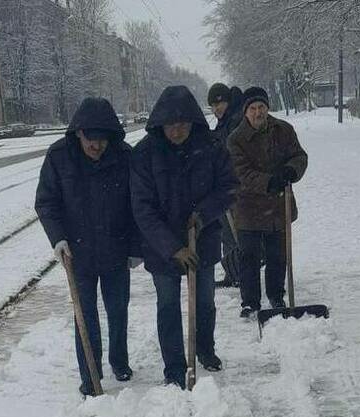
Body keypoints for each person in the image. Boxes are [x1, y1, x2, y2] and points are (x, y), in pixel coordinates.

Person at [131, 85, 237, 388]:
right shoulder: (144, 154)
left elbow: (229, 187)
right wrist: (173, 247)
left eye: (183, 123)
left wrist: (203, 214)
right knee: (167, 305)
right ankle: (174, 367)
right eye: (170, 124)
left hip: (202, 239)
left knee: (204, 301)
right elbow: (142, 208)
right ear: (159, 123)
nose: (177, 130)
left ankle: (205, 349)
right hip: (160, 246)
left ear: (193, 121)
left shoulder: (212, 146)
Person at [35, 97, 141, 397]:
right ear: (78, 133)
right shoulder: (59, 157)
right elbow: (46, 202)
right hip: (77, 253)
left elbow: (137, 204)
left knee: (118, 310)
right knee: (85, 314)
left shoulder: (124, 156)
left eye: (102, 140)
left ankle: (119, 361)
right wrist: (58, 238)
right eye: (90, 140)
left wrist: (135, 247)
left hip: (116, 248)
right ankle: (90, 376)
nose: (96, 147)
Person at [226, 87, 308, 318]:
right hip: (248, 206)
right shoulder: (236, 139)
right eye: (252, 108)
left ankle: (275, 294)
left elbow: (299, 156)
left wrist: (292, 170)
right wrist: (269, 181)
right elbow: (241, 172)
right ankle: (250, 301)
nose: (258, 112)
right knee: (249, 256)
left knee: (277, 254)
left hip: (278, 205)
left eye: (261, 107)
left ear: (267, 108)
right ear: (245, 111)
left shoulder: (284, 130)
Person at [207, 82, 245, 289]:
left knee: (234, 230)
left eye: (218, 104)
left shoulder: (236, 119)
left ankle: (239, 272)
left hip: (235, 184)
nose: (215, 110)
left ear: (226, 101)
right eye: (212, 106)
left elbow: (229, 150)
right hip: (224, 184)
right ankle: (233, 272)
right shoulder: (227, 121)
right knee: (226, 230)